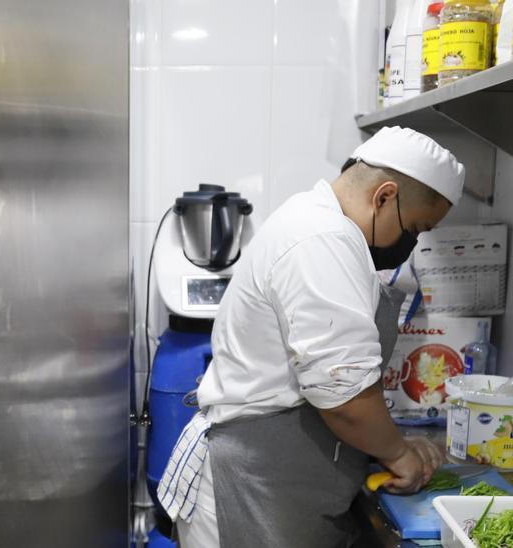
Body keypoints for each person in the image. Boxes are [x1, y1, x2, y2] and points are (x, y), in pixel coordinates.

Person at [157, 127, 465, 547]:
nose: (413, 242)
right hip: (253, 490)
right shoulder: (322, 239)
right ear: (384, 197)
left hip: (274, 484)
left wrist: (387, 442)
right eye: (416, 227)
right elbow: (345, 398)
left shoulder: (318, 223)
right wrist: (398, 454)